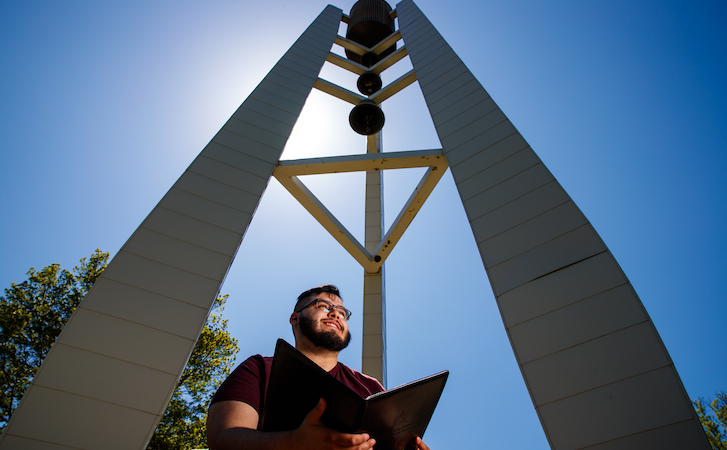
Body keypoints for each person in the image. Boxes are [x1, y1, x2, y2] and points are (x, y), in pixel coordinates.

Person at [207, 284, 431, 450]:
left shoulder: (370, 385)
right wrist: (294, 443)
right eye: (323, 306)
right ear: (295, 319)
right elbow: (222, 439)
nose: (335, 314)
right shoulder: (259, 368)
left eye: (342, 313)